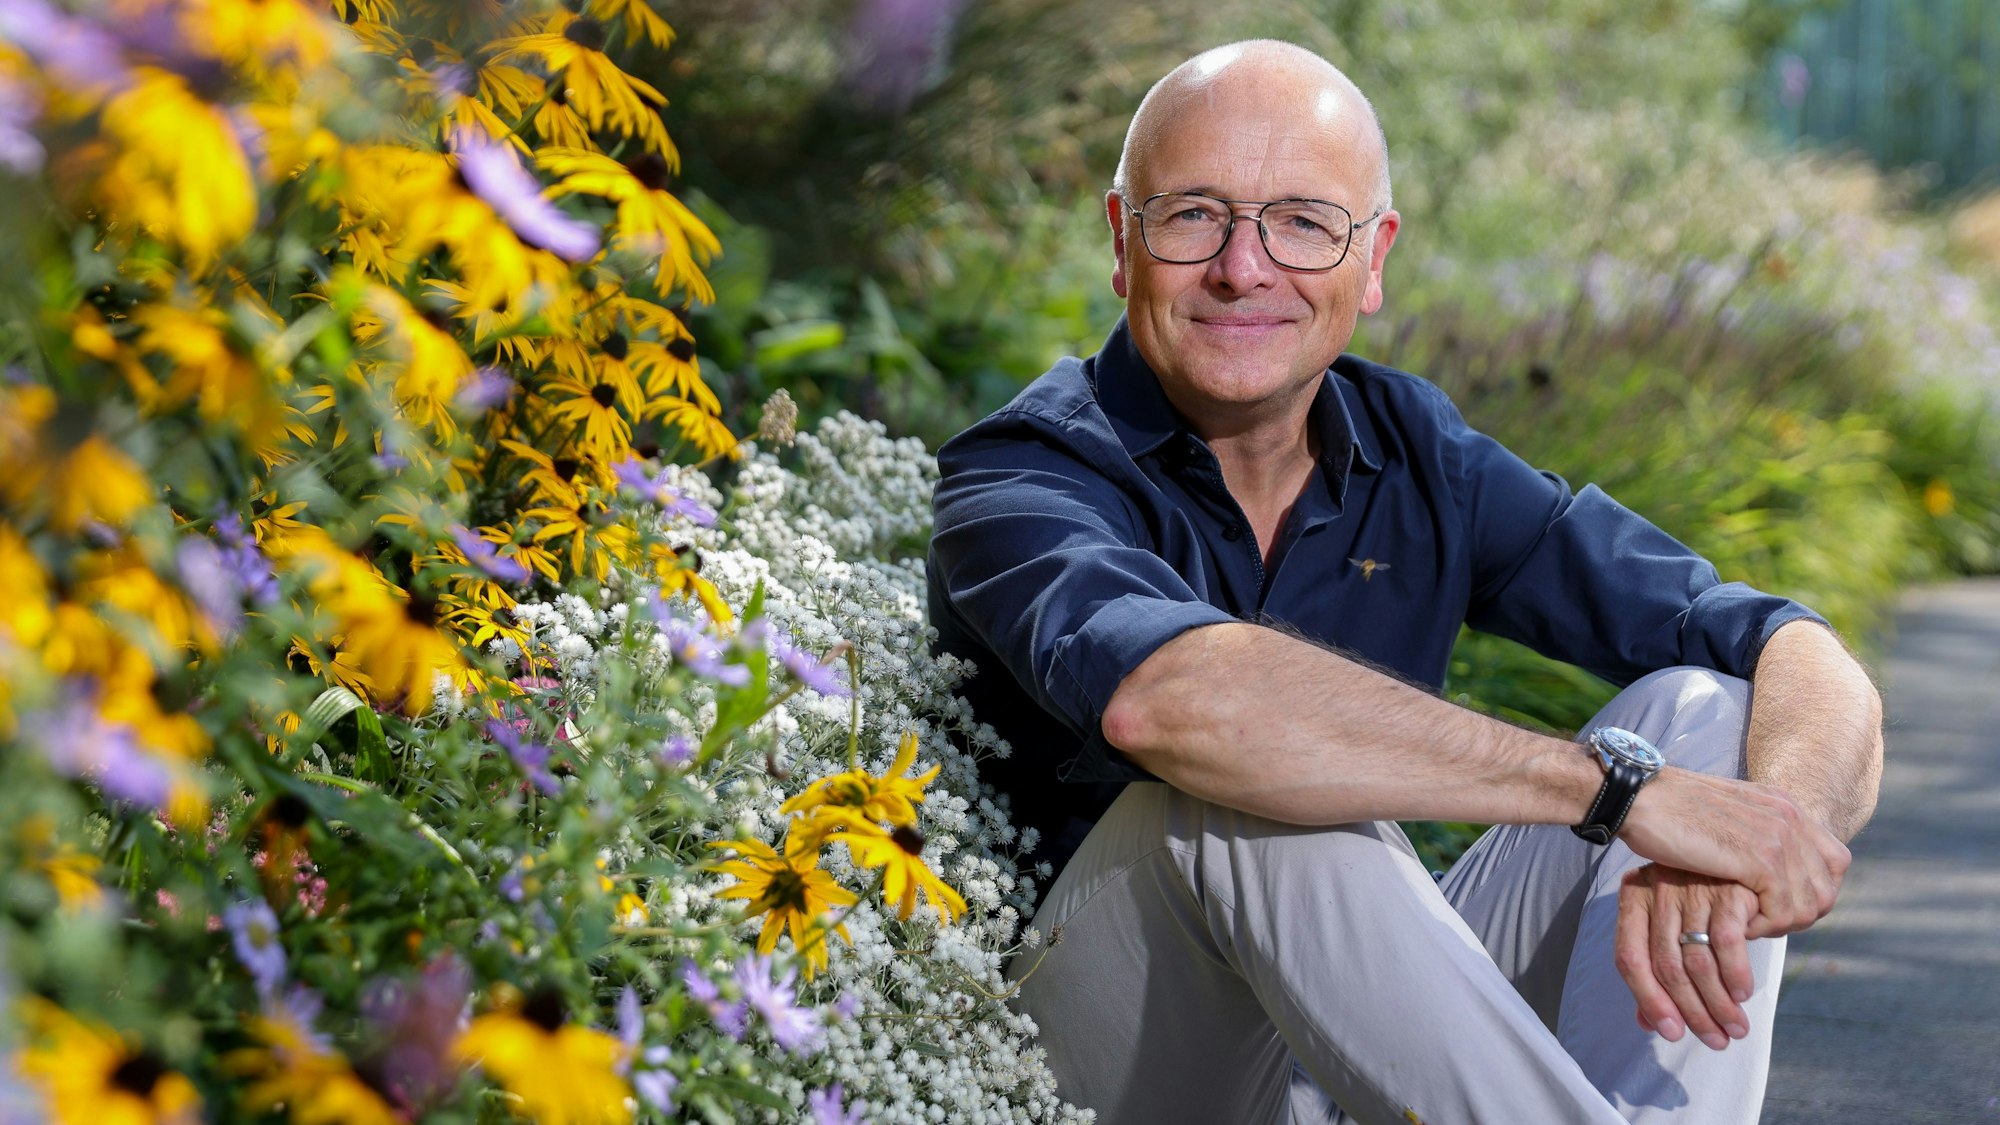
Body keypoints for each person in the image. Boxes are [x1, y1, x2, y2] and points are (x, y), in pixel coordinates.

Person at [926, 39, 1884, 1125]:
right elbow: (1175, 703)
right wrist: (1621, 795)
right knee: (1243, 791)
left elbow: (1789, 650)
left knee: (1702, 711)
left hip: (1365, 1044)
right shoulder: (1021, 471)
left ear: (1371, 257)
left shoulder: (1414, 451)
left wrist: (1763, 834)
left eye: (1301, 221)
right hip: (1096, 1070)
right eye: (1192, 215)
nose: (1244, 267)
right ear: (1121, 242)